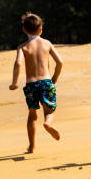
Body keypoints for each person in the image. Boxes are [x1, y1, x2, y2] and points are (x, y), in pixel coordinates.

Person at [9, 13, 63, 154]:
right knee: (50, 110)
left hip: (31, 85)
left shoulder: (23, 47)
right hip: (46, 82)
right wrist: (55, 78)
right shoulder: (46, 43)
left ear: (24, 30)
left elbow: (18, 64)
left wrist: (14, 83)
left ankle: (32, 146)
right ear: (41, 30)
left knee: (32, 115)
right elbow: (60, 62)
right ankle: (48, 123)